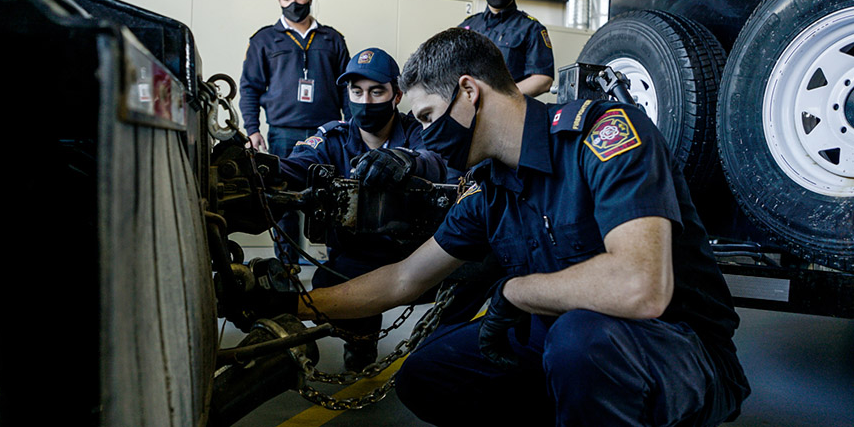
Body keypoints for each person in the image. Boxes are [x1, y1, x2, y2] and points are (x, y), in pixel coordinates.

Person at [256, 27, 750, 425]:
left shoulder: (605, 137)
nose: (426, 135)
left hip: (675, 347)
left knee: (582, 340)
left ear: (468, 92)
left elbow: (640, 287)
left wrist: (516, 292)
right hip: (565, 344)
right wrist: (293, 304)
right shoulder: (489, 188)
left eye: (428, 116)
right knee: (429, 374)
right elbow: (404, 278)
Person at [279, 47, 447, 372]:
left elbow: (438, 160)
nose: (366, 101)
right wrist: (263, 168)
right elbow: (297, 166)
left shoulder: (417, 133)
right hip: (355, 257)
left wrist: (406, 160)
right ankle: (360, 340)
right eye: (357, 92)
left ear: (396, 95)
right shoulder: (334, 137)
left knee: (458, 283)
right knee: (328, 283)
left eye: (376, 91)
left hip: (415, 258)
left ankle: (445, 352)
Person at [239, 0, 350, 262]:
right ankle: (287, 266)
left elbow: (347, 89)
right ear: (279, 1)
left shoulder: (332, 39)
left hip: (327, 134)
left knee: (331, 198)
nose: (293, 3)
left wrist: (353, 128)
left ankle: (335, 261)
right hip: (282, 133)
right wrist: (252, 128)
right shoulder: (264, 39)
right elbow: (249, 87)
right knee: (282, 200)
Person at [458, 0, 555, 98]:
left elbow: (543, 79)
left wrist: (499, 97)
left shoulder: (531, 28)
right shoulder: (467, 26)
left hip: (508, 113)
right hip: (466, 110)